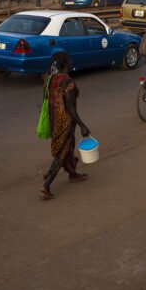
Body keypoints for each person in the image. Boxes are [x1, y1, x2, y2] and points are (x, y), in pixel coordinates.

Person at [41, 51, 91, 200]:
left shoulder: (50, 79)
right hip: (66, 122)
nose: (71, 63)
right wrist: (82, 125)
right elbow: (70, 109)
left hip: (53, 119)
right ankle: (47, 184)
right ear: (67, 64)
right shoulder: (68, 82)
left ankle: (72, 173)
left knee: (68, 147)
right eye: (70, 61)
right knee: (62, 152)